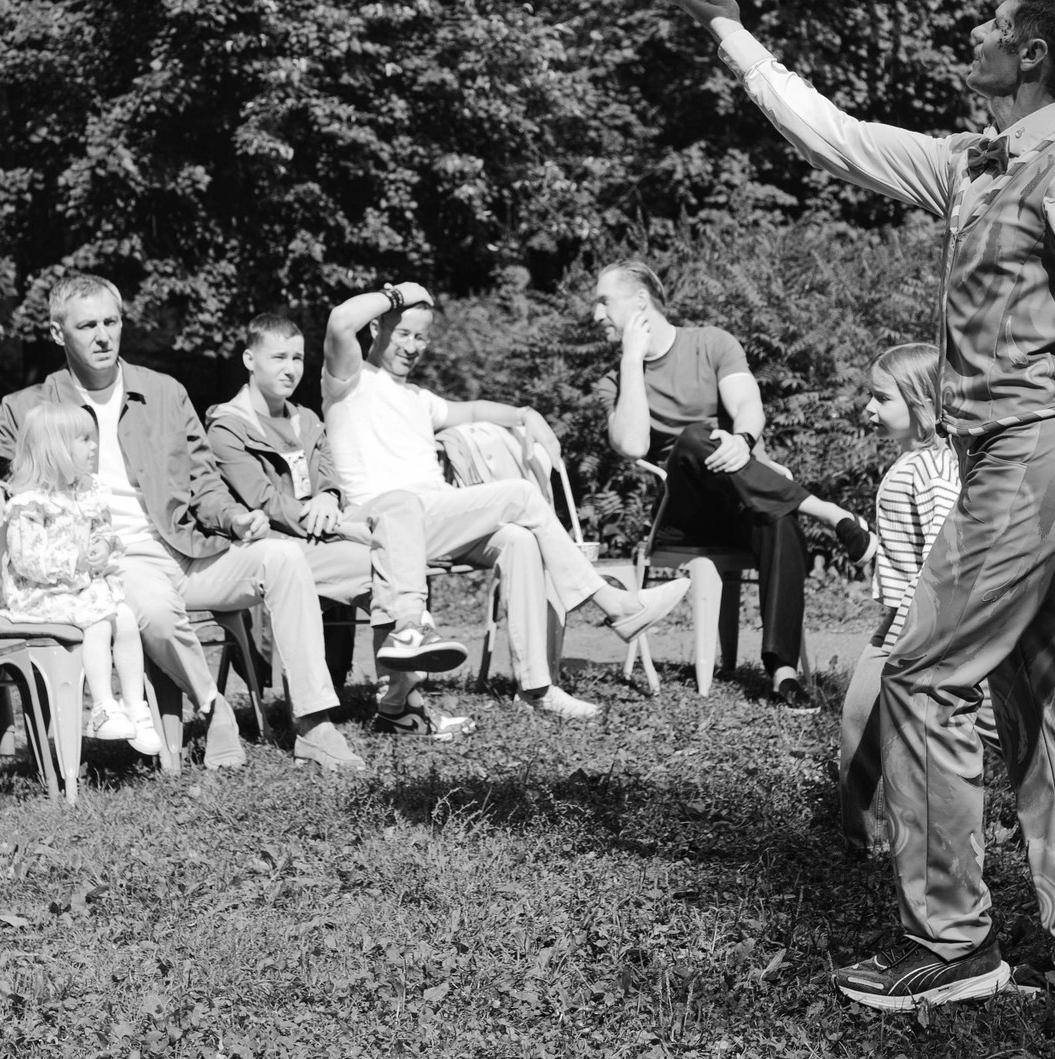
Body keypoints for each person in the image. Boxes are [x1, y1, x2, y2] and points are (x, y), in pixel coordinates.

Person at [676, 0, 1055, 1006]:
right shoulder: (968, 166)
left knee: (921, 677)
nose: (976, 31)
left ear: (1031, 53)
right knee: (1050, 702)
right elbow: (836, 134)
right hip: (1016, 461)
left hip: (1029, 459)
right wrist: (734, 39)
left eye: (995, 24)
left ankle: (950, 943)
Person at [0, 274, 367, 773]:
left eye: (111, 321)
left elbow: (205, 483)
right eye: (87, 326)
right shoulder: (31, 407)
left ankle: (314, 723)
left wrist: (233, 516)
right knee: (151, 607)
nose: (103, 336)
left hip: (188, 548)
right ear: (59, 335)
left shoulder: (164, 392)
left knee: (284, 557)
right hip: (117, 563)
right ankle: (214, 709)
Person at [322, 282, 692, 722]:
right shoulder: (349, 382)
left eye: (422, 337)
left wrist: (526, 415)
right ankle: (616, 605)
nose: (413, 346)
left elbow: (475, 410)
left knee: (518, 538)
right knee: (519, 494)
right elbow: (340, 320)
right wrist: (400, 292)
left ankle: (537, 686)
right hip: (383, 520)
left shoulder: (419, 399)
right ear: (379, 326)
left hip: (434, 521)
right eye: (403, 333)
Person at [593, 262, 866, 706]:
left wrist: (743, 441)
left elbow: (747, 406)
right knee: (695, 438)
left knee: (778, 522)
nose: (596, 315)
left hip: (741, 500)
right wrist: (630, 357)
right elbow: (631, 444)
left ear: (640, 300)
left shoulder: (712, 343)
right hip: (683, 516)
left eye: (604, 301)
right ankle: (827, 512)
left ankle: (782, 673)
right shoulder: (615, 381)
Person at [207, 313, 474, 742]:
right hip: (277, 546)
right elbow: (262, 499)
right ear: (249, 359)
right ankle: (402, 704)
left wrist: (328, 498)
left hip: (323, 532)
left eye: (297, 357)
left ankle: (406, 652)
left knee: (401, 507)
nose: (290, 368)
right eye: (278, 357)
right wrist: (315, 513)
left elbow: (328, 473)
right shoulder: (228, 427)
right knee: (389, 572)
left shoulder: (306, 419)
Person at [836, 344, 961, 854]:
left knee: (999, 727)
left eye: (880, 397)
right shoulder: (913, 462)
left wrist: (922, 631)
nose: (868, 408)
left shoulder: (932, 470)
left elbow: (942, 555)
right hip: (899, 621)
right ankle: (864, 840)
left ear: (923, 404)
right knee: (859, 719)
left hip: (920, 627)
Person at [0, 399, 160, 755]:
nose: (94, 446)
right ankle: (102, 707)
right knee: (100, 621)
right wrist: (75, 559)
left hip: (77, 589)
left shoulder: (87, 491)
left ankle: (135, 706)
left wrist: (102, 547)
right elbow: (28, 561)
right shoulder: (30, 503)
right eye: (84, 439)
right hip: (38, 595)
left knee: (127, 618)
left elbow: (103, 530)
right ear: (56, 450)